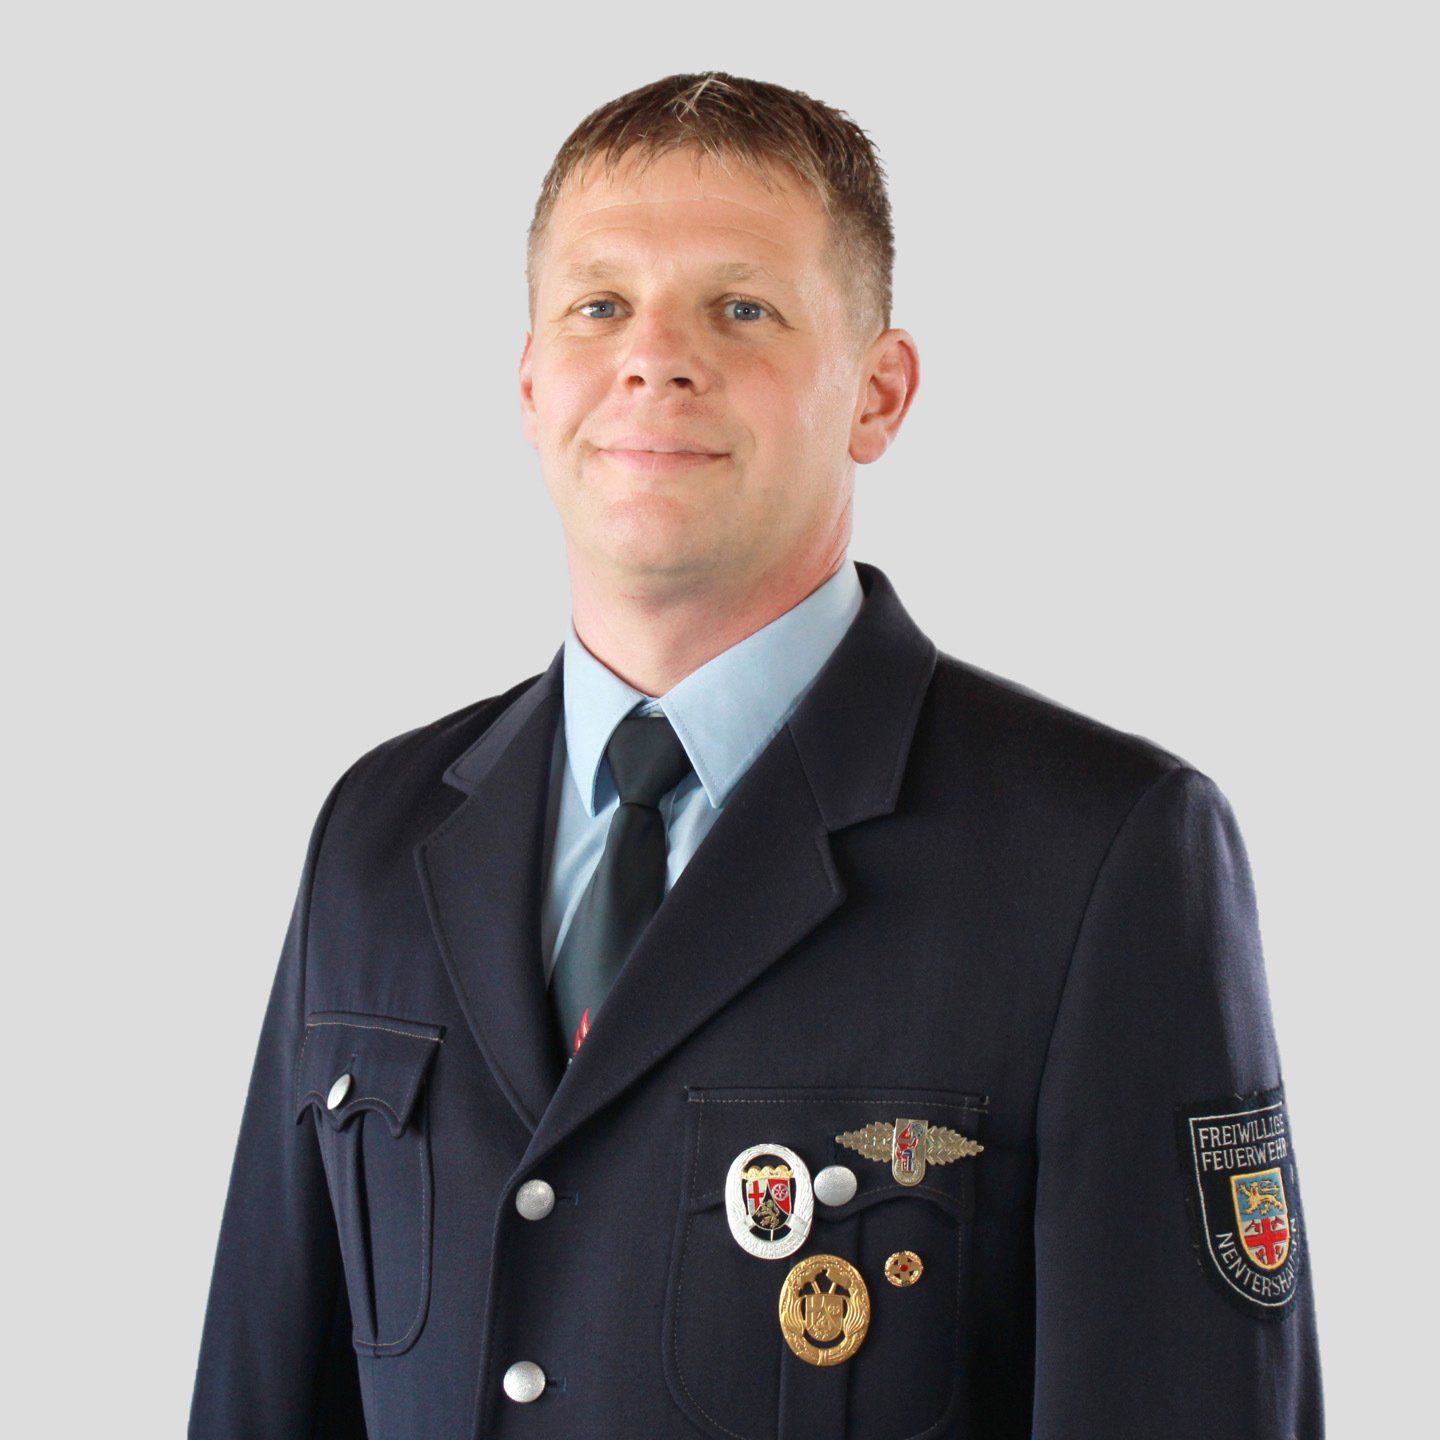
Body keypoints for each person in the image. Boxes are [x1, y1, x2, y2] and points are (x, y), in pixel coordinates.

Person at [188, 71, 1324, 1439]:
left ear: (878, 395)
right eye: (600, 305)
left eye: (741, 309)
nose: (653, 358)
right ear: (532, 380)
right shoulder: (377, 834)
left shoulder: (1102, 856)